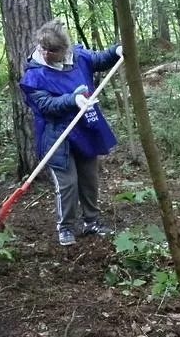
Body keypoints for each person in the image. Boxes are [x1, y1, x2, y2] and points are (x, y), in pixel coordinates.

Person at [19, 19, 123, 246]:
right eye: (43, 48)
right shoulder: (34, 76)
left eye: (53, 50)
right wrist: (72, 99)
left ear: (64, 49)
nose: (46, 54)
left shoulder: (77, 57)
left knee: (89, 178)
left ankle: (92, 222)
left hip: (84, 128)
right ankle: (66, 227)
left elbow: (100, 59)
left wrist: (116, 50)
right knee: (67, 183)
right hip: (57, 135)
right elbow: (45, 105)